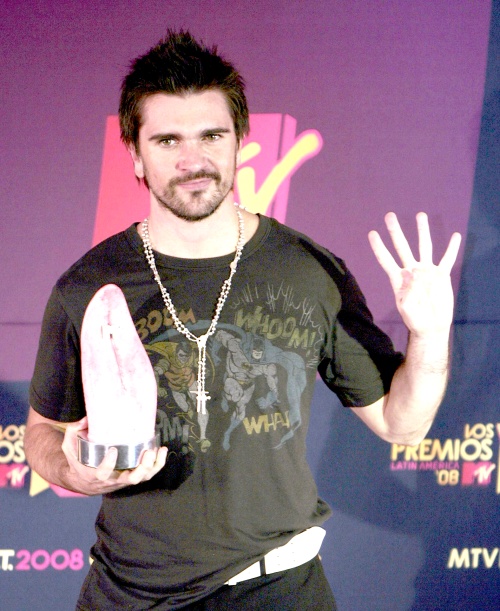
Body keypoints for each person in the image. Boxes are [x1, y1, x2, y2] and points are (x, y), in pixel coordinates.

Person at [24, 30, 462, 610]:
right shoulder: (88, 284)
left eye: (211, 135)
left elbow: (401, 425)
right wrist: (76, 473)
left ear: (240, 141)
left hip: (279, 588)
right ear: (134, 154)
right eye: (167, 140)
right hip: (129, 592)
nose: (192, 160)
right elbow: (42, 432)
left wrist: (428, 336)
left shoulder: (308, 270)